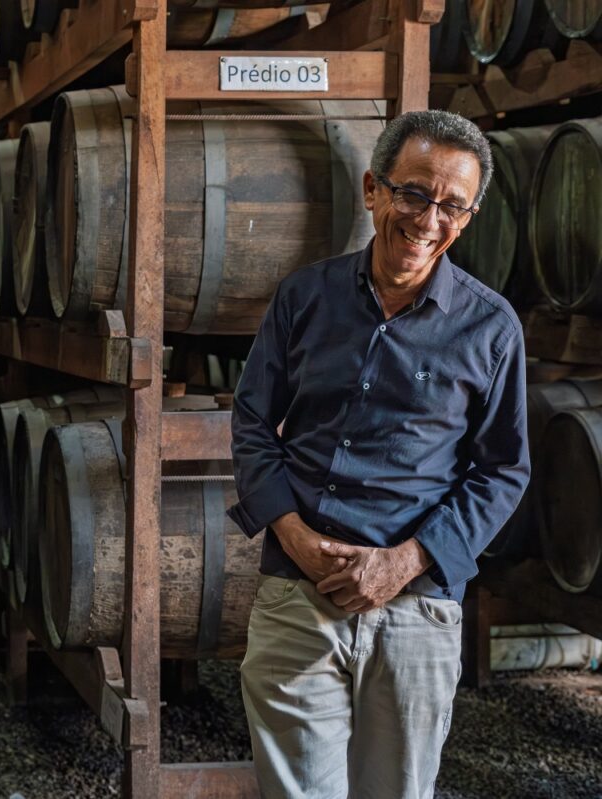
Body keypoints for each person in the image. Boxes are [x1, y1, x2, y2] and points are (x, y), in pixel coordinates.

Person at [227, 109, 530, 798]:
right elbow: (251, 420)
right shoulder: (305, 297)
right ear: (373, 189)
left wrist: (406, 560)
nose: (429, 219)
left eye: (453, 205)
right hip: (300, 596)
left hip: (415, 610)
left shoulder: (491, 327)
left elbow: (504, 470)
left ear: (469, 216)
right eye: (414, 193)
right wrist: (293, 534)